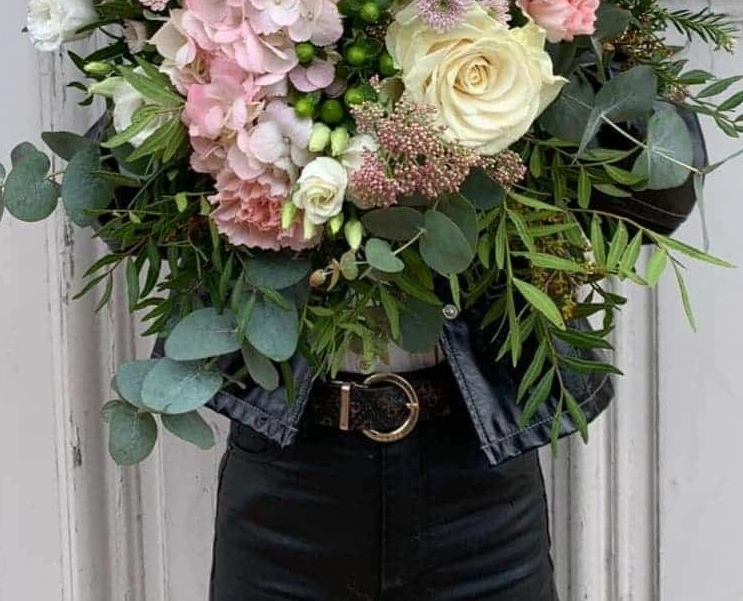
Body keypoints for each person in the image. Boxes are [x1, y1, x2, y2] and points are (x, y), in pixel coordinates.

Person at [203, 106, 707, 599]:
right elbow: (131, 185)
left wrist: (564, 73)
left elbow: (663, 198)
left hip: (478, 478)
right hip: (287, 473)